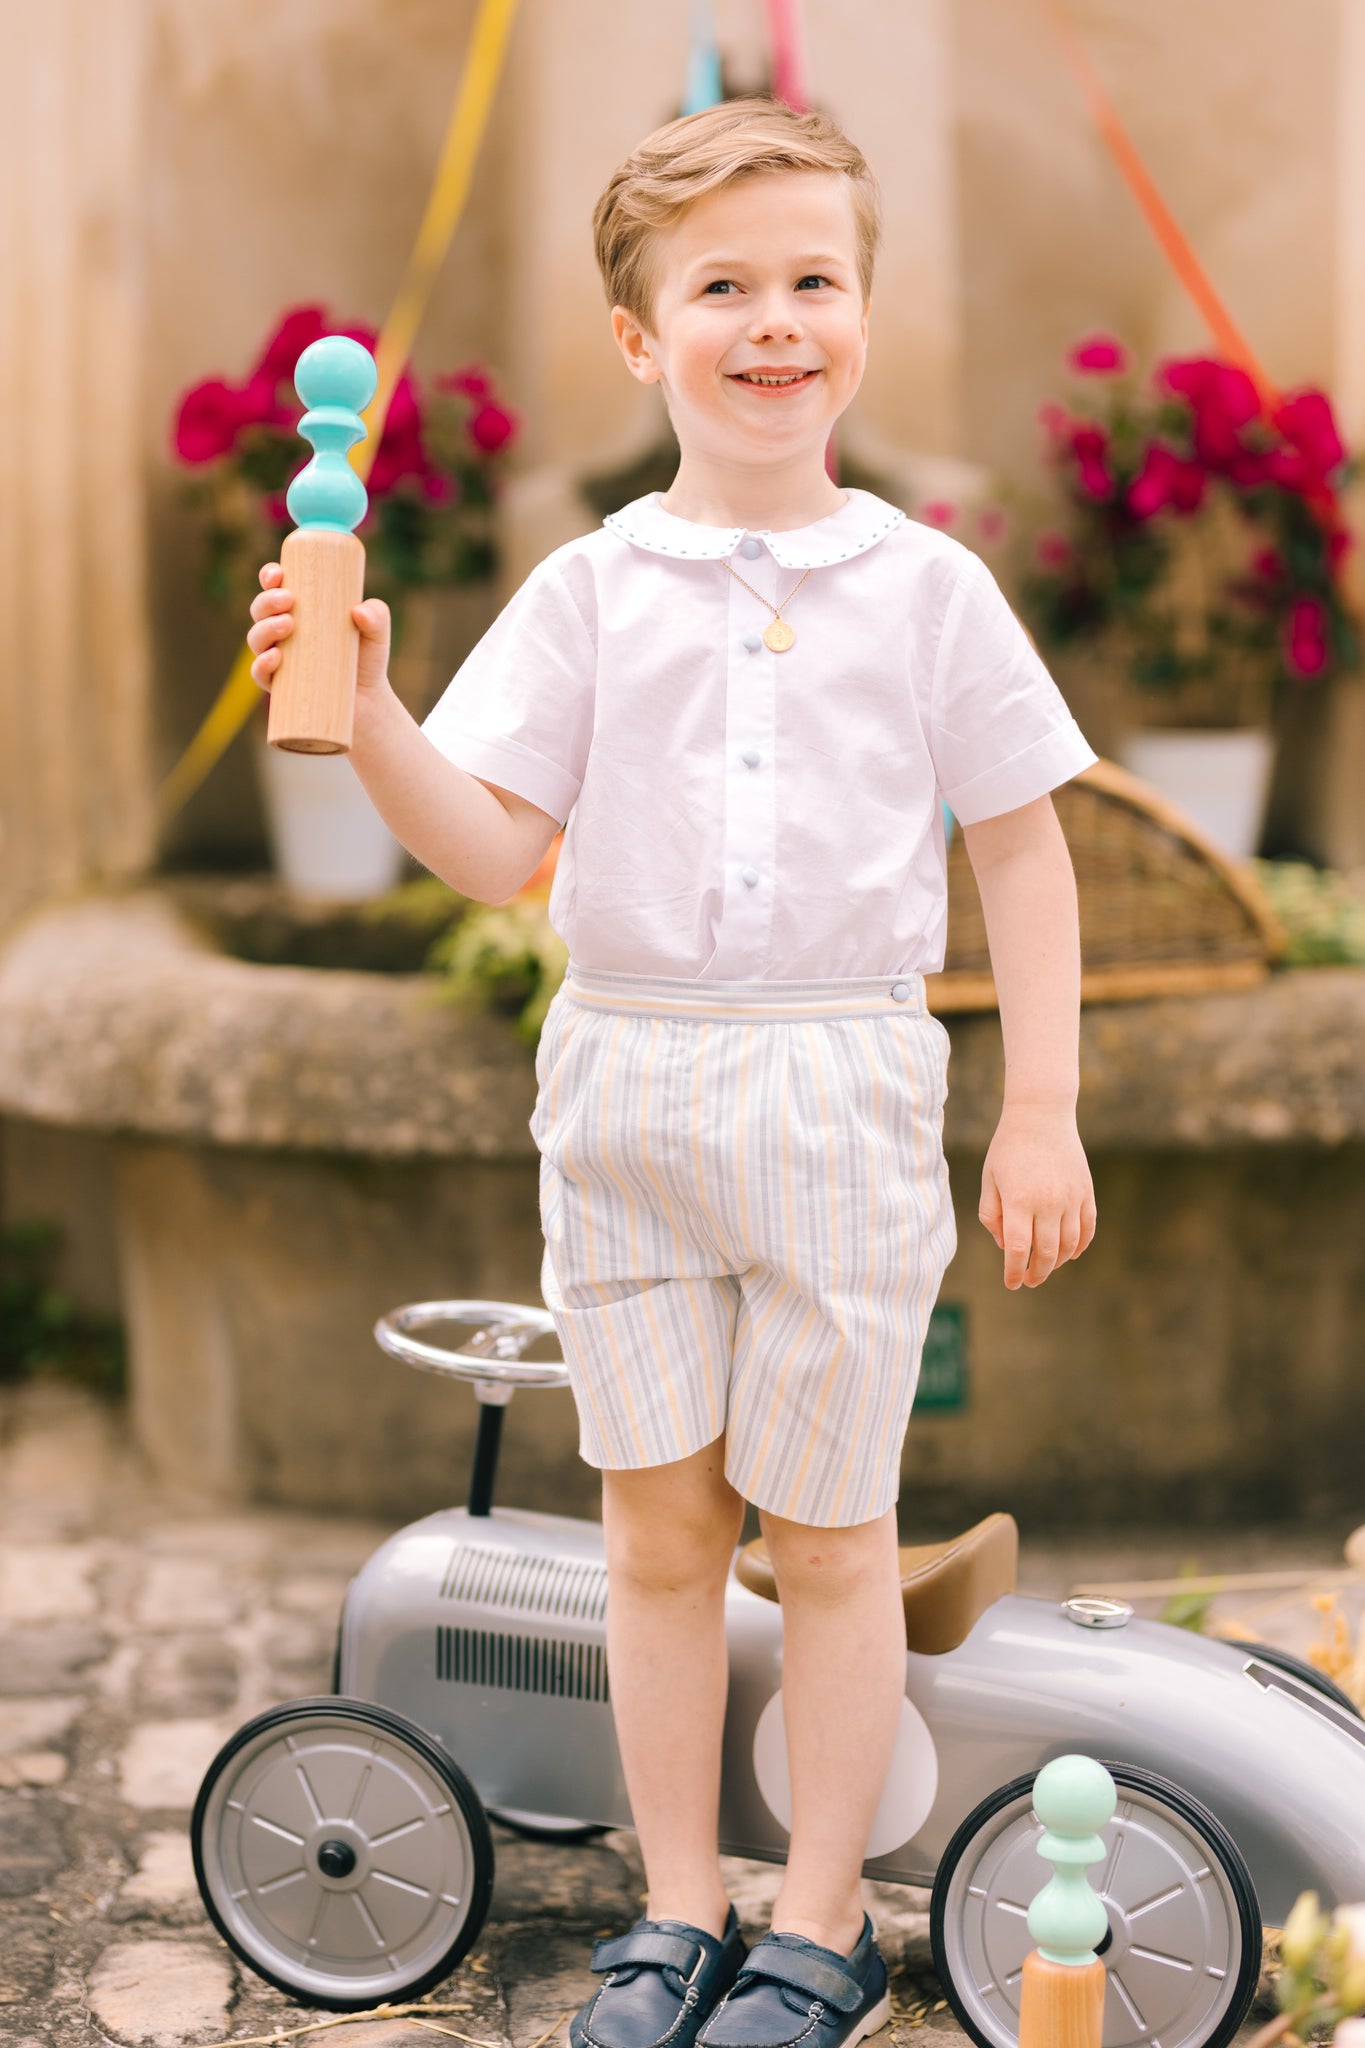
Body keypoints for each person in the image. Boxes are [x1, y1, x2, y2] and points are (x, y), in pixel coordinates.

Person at [247, 95, 1098, 2048]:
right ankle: (675, 1902)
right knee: (653, 1528)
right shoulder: (592, 589)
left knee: (828, 1535)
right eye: (722, 285)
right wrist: (370, 702)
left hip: (839, 1092)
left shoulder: (922, 587)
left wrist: (1037, 1105)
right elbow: (488, 844)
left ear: (860, 310)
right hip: (624, 1092)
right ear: (641, 342)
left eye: (811, 278)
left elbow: (1021, 845)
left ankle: (817, 1919)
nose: (773, 319)